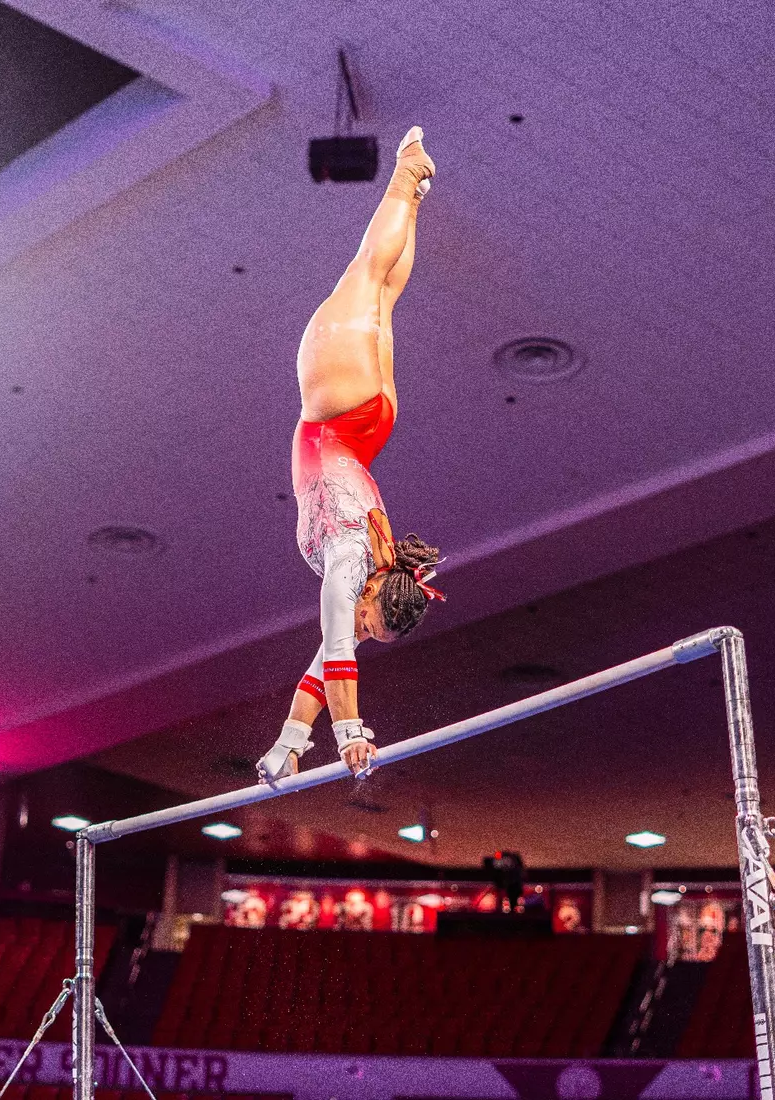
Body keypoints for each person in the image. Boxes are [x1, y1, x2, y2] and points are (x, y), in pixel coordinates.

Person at [256, 126, 445, 785]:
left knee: (383, 291)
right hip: (339, 406)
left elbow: (321, 665)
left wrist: (289, 742)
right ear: (372, 599)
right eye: (371, 625)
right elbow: (337, 655)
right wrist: (350, 736)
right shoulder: (346, 566)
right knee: (364, 272)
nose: (362, 632)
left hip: (367, 421)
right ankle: (403, 175)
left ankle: (414, 194)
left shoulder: (372, 569)